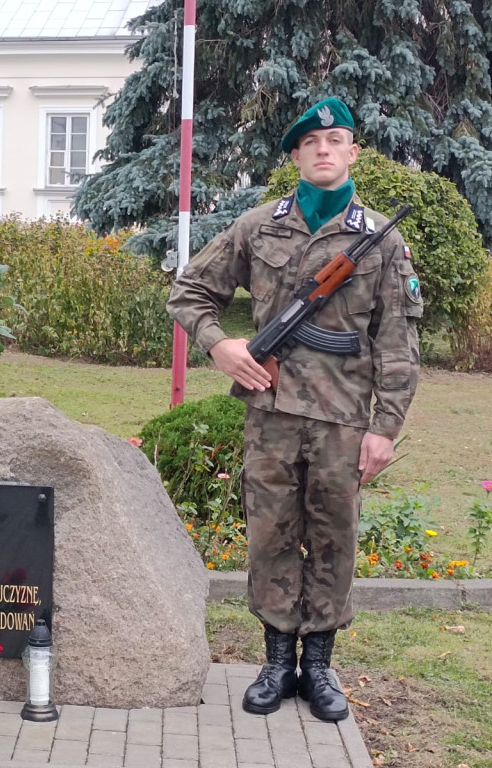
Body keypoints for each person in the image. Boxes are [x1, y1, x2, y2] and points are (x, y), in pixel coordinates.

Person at [167, 97, 422, 722]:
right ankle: (278, 660)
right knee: (270, 534)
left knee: (334, 536)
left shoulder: (380, 239)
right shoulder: (259, 227)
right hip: (271, 413)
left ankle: (321, 666)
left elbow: (399, 341)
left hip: (343, 422)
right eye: (312, 143)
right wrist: (220, 344)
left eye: (336, 139)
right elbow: (189, 290)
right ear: (297, 156)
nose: (325, 150)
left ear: (353, 151)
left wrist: (385, 428)